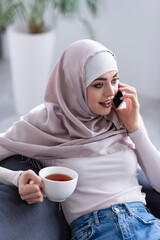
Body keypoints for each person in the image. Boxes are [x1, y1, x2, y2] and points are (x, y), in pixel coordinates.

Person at [0, 39, 160, 239]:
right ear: (73, 84)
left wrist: (136, 128)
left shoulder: (120, 117)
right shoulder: (45, 123)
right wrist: (16, 178)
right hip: (96, 230)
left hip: (147, 223)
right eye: (98, 84)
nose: (110, 92)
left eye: (114, 80)